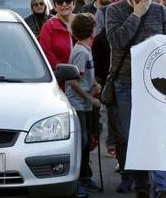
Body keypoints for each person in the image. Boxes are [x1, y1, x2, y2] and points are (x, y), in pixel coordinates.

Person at [106, 0, 166, 197]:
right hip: (125, 83)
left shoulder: (159, 10)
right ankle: (142, 184)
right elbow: (117, 40)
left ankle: (161, 187)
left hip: (155, 85)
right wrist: (135, 15)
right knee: (132, 136)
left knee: (155, 134)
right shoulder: (114, 11)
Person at [66, 13, 101, 198]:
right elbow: (73, 81)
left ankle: (85, 176)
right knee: (82, 141)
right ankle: (77, 180)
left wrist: (94, 84)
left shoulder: (86, 49)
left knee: (88, 142)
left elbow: (84, 76)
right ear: (92, 30)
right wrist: (89, 97)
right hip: (78, 103)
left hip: (85, 103)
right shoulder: (80, 51)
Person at [39, 0, 78, 87]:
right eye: (60, 2)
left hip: (85, 81)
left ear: (74, 3)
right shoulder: (48, 27)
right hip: (61, 82)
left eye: (68, 1)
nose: (64, 4)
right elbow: (48, 57)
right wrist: (67, 73)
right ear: (55, 6)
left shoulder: (82, 22)